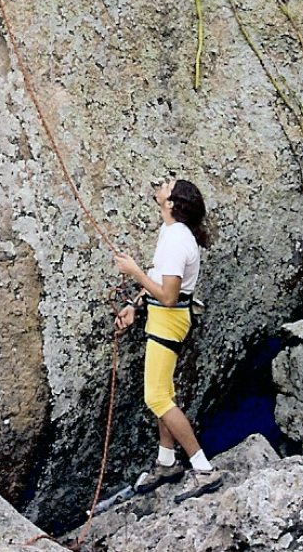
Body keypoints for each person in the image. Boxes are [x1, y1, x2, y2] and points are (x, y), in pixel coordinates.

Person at [113, 177, 222, 502]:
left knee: (157, 398)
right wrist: (135, 304)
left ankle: (203, 469)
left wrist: (133, 271)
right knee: (164, 392)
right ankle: (166, 461)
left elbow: (171, 296)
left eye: (166, 186)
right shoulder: (171, 232)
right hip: (163, 318)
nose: (159, 185)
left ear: (172, 203)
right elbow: (160, 279)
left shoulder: (177, 240)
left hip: (169, 320)